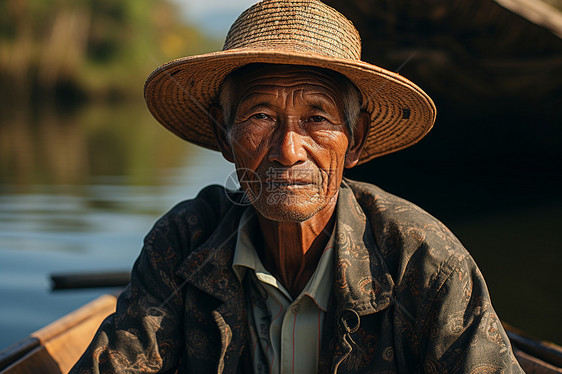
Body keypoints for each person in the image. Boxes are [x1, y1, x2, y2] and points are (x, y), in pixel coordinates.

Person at [71, 0, 524, 373]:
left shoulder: (422, 260)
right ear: (222, 137)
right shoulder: (184, 240)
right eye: (260, 116)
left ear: (356, 141)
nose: (288, 150)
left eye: (318, 118)